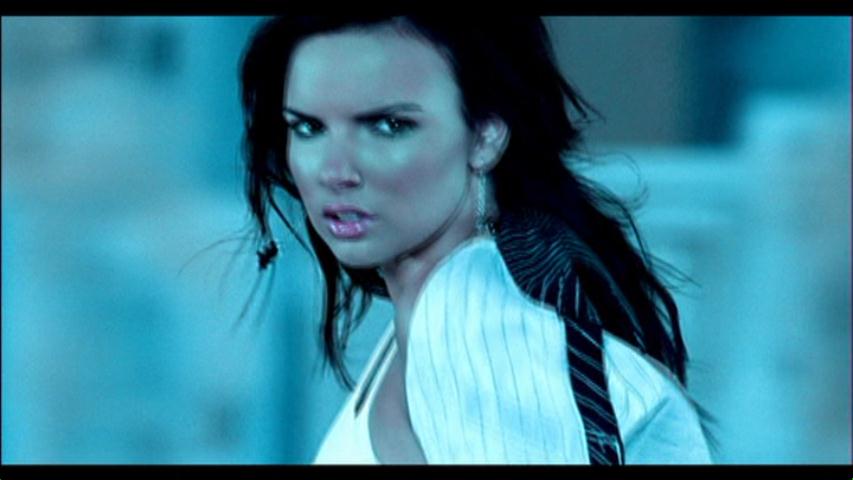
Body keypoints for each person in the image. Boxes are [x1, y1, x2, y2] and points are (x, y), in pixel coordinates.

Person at [238, 15, 713, 464]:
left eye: (389, 126)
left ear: (485, 136)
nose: (334, 171)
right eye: (308, 128)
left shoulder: (478, 332)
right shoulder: (441, 316)